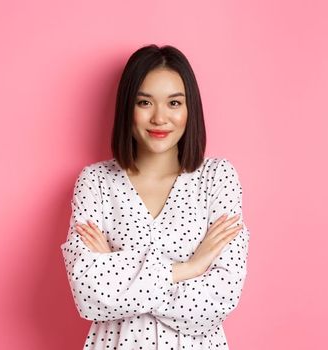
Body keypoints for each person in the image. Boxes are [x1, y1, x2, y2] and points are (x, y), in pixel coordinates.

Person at [59, 44, 250, 349]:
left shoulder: (216, 177)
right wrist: (187, 269)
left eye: (174, 103)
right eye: (145, 102)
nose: (160, 118)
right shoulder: (95, 181)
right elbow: (87, 293)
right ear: (127, 107)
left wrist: (118, 274)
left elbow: (221, 296)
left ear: (190, 109)